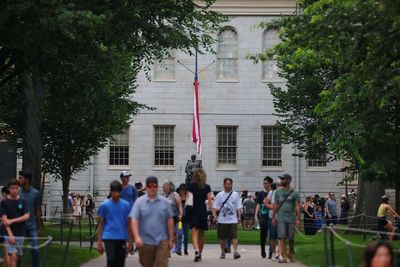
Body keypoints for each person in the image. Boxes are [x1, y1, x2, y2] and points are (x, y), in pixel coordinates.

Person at [130, 176, 174, 267]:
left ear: (157, 187)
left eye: (154, 186)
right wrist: (137, 237)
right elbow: (134, 220)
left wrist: (171, 239)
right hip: (145, 241)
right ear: (146, 187)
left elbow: (170, 220)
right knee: (147, 264)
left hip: (162, 240)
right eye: (150, 186)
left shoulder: (165, 202)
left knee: (161, 263)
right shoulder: (139, 202)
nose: (152, 188)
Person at [97, 180, 132, 267]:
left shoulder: (126, 205)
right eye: (114, 191)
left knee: (120, 262)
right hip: (109, 236)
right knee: (111, 259)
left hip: (121, 237)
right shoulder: (105, 205)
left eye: (118, 191)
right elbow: (101, 224)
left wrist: (130, 242)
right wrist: (99, 242)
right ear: (111, 191)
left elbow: (129, 224)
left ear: (120, 192)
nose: (116, 194)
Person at [0, 179, 30, 267]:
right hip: (8, 233)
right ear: (9, 189)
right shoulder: (4, 202)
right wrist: (10, 235)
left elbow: (26, 216)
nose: (14, 190)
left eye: (16, 188)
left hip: (20, 232)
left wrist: (12, 220)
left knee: (17, 256)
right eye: (12, 188)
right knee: (12, 255)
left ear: (19, 188)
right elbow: (5, 220)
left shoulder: (23, 201)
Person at [272, 174, 301, 263]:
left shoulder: (295, 193)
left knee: (291, 238)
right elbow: (276, 205)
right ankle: (282, 256)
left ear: (288, 180)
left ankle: (291, 254)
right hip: (281, 218)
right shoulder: (278, 192)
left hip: (291, 218)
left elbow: (297, 206)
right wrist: (273, 217)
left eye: (283, 179)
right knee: (281, 237)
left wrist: (298, 218)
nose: (281, 181)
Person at [212, 178, 242, 260]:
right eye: (227, 184)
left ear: (232, 185)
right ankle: (222, 252)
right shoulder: (219, 195)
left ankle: (235, 252)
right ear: (224, 185)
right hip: (222, 220)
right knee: (222, 238)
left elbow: (238, 206)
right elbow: (214, 207)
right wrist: (214, 216)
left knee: (234, 236)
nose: (228, 185)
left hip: (233, 219)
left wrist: (239, 216)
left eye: (230, 184)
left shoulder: (235, 194)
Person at [187, 169, 213, 262]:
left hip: (194, 211)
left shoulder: (191, 186)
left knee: (194, 232)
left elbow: (189, 200)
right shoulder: (207, 187)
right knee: (202, 234)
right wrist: (213, 213)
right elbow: (209, 201)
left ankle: (196, 251)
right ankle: (200, 254)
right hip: (202, 211)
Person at [18, 170, 42, 267]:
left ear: (27, 180)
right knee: (18, 250)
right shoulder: (18, 193)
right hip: (20, 226)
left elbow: (37, 210)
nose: (19, 180)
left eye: (21, 178)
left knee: (35, 249)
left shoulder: (35, 193)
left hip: (32, 226)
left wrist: (39, 227)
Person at [161, 181, 183, 255]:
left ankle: (177, 248)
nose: (164, 188)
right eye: (164, 187)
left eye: (166, 186)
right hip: (166, 218)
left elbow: (179, 205)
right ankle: (168, 251)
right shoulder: (162, 195)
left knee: (177, 233)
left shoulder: (175, 195)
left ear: (170, 187)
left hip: (175, 217)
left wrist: (180, 214)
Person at [255, 176, 273, 258]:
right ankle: (262, 250)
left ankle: (271, 251)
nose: (264, 185)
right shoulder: (260, 193)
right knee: (263, 234)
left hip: (271, 216)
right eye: (264, 183)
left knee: (272, 234)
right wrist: (256, 214)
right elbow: (258, 204)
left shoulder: (273, 193)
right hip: (263, 216)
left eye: (266, 183)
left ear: (270, 184)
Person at [264, 182, 278, 261]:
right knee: (272, 236)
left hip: (282, 217)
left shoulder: (285, 193)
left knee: (281, 237)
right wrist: (271, 207)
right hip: (272, 217)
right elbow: (265, 202)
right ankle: (273, 253)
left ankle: (280, 253)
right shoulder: (271, 193)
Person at [176, 183, 190, 255]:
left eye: (184, 190)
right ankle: (178, 249)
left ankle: (185, 249)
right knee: (179, 234)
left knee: (186, 236)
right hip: (179, 220)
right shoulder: (177, 197)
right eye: (181, 189)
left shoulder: (188, 198)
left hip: (186, 219)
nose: (182, 191)